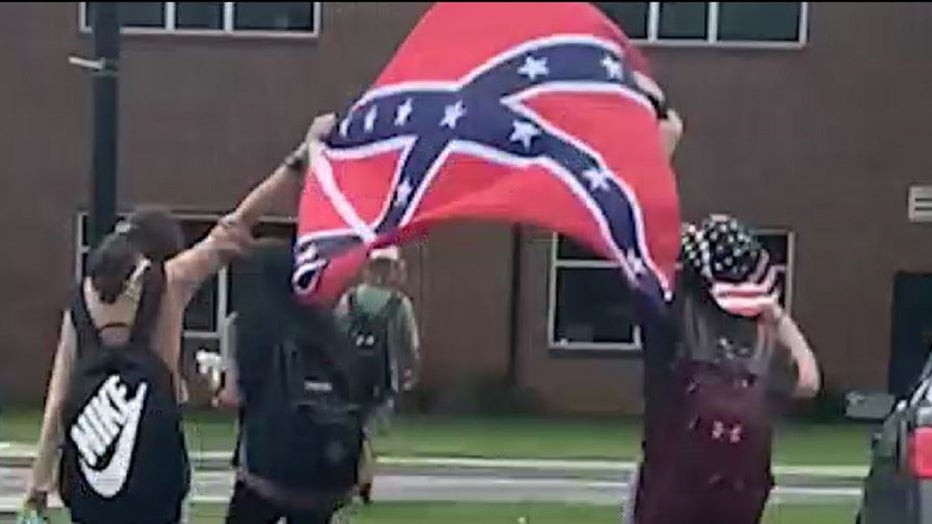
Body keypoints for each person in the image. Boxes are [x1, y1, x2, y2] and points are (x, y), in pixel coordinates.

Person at [18, 114, 339, 524]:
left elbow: (58, 398)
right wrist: (299, 157)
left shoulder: (81, 300)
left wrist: (38, 484)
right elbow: (239, 222)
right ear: (161, 249)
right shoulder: (170, 282)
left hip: (91, 479)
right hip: (156, 473)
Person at [632, 215, 821, 524]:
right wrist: (776, 316)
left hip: (664, 500)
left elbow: (643, 275)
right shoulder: (762, 347)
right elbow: (809, 383)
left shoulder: (669, 328)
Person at [213, 239, 362, 524]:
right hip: (324, 465)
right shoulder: (325, 326)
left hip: (266, 466)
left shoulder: (247, 326)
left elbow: (235, 396)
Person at [335, 246, 421, 504]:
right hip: (383, 377)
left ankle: (354, 477)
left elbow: (334, 335)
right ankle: (364, 479)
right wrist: (412, 370)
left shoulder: (348, 299)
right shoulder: (400, 304)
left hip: (349, 376)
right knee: (367, 431)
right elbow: (411, 345)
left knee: (351, 429)